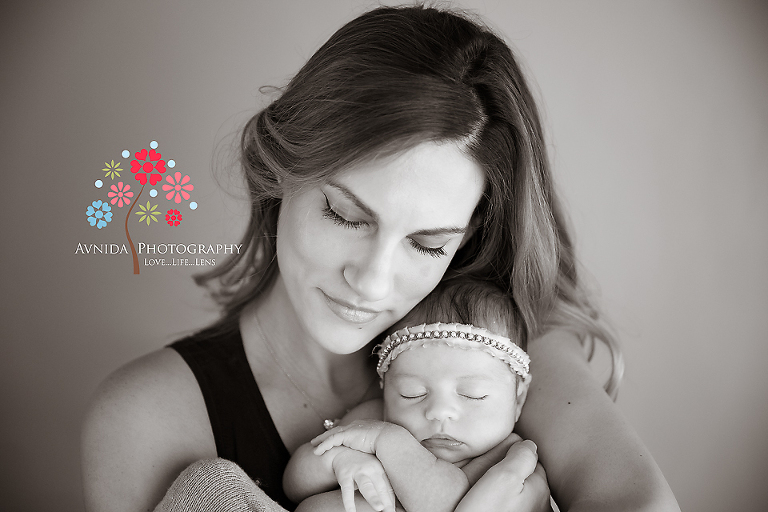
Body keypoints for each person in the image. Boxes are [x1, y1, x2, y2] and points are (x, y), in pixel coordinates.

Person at [81, 4, 681, 512]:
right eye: (346, 215)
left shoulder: (505, 350)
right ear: (279, 172)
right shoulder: (150, 417)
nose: (372, 279)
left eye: (427, 244)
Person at [284, 278, 539, 512]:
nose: (439, 411)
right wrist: (338, 459)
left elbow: (445, 506)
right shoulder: (375, 418)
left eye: (473, 395)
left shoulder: (507, 458)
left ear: (518, 398)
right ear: (386, 389)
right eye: (412, 393)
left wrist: (388, 440)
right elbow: (294, 484)